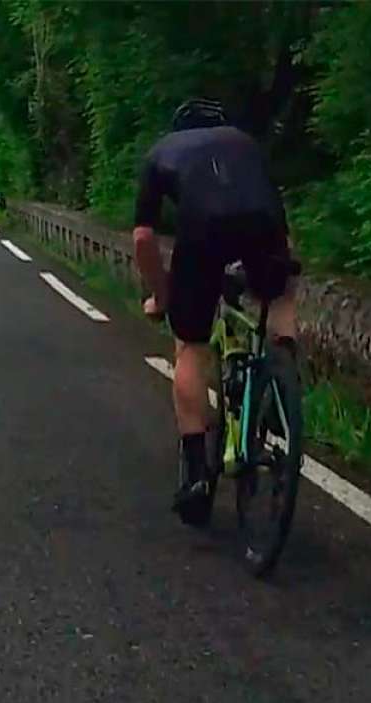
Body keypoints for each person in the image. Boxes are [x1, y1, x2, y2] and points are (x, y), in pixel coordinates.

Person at [132, 98, 300, 526]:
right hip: (263, 225)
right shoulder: (245, 144)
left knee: (190, 346)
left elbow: (143, 239)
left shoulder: (161, 152)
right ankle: (282, 373)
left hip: (202, 232)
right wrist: (276, 274)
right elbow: (280, 219)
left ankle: (194, 476)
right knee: (279, 294)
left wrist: (161, 296)